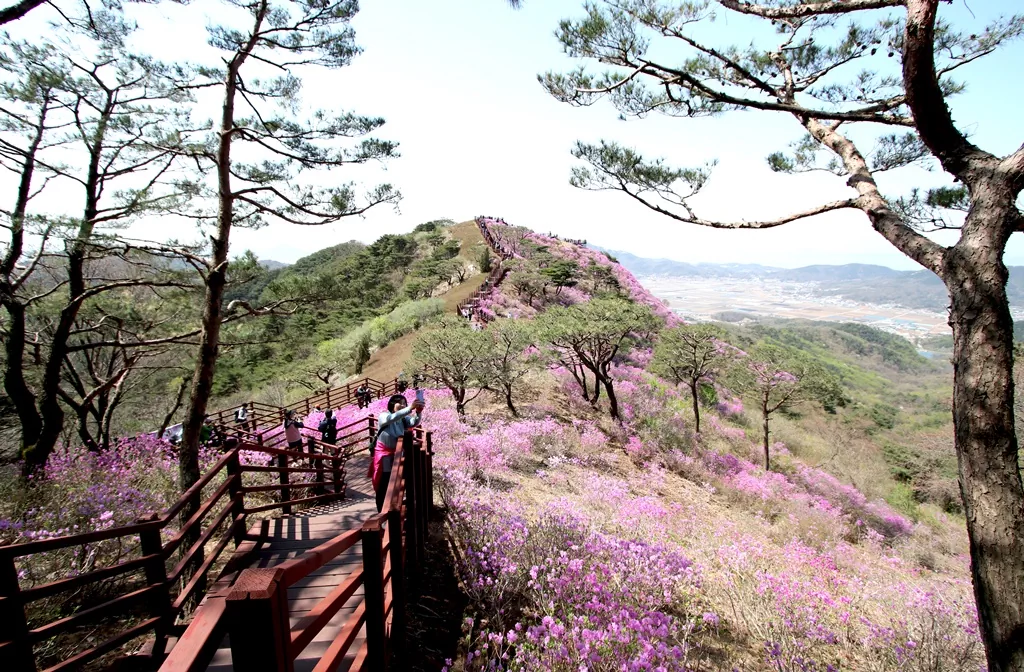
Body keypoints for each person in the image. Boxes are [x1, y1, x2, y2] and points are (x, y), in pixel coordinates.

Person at [370, 393, 424, 512]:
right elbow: (391, 419)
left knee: (398, 481)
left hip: (398, 454)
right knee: (384, 483)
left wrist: (418, 412)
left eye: (405, 403)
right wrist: (409, 408)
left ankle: (396, 509)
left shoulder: (403, 419)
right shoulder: (384, 416)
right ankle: (382, 511)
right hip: (384, 456)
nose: (403, 405)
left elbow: (414, 422)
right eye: (401, 403)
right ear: (392, 404)